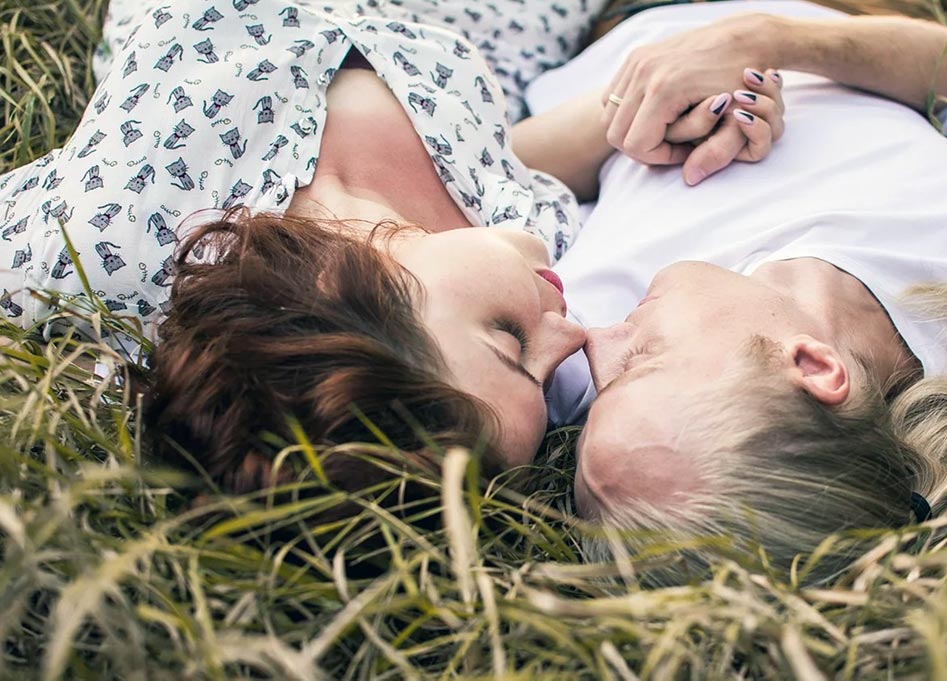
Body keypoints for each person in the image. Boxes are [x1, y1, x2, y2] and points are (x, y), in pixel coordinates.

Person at [0, 0, 778, 492]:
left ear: (351, 286)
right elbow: (505, 152)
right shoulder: (539, 241)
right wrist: (658, 118)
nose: (572, 335)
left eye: (510, 340)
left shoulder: (116, 231)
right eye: (544, 377)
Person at [524, 1, 947, 581]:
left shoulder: (560, 357)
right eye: (643, 363)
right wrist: (760, 39)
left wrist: (641, 107)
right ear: (813, 365)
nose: (597, 342)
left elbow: (490, 165)